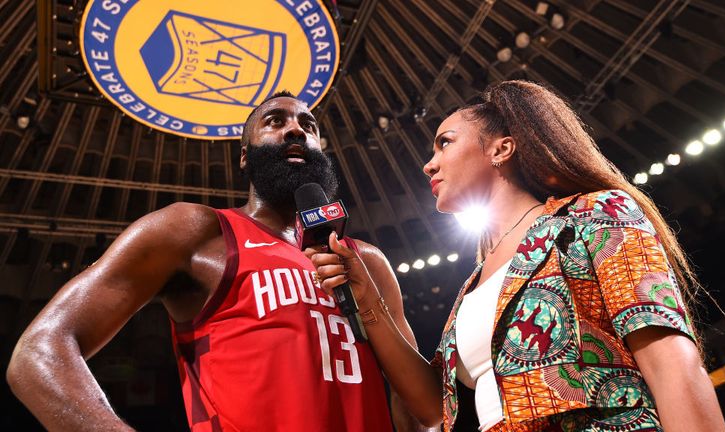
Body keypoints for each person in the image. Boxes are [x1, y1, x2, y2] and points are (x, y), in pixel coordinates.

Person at [307, 80, 725, 431]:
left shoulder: (592, 215)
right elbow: (434, 406)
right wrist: (367, 300)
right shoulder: (472, 286)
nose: (428, 166)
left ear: (501, 149)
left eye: (444, 144)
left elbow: (670, 359)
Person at [6, 91, 424, 431]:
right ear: (245, 156)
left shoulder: (365, 261)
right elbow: (40, 351)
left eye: (309, 126)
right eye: (276, 122)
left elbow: (419, 409)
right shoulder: (196, 232)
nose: (296, 129)